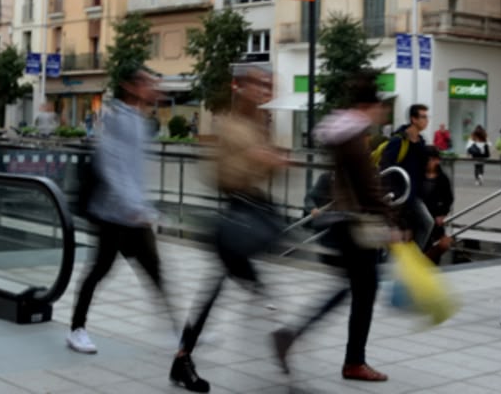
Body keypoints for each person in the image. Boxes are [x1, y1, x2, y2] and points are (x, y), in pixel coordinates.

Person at [272, 71, 398, 383]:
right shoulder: (355, 137)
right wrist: (393, 222)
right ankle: (352, 361)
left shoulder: (343, 131)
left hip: (344, 223)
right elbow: (369, 187)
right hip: (357, 226)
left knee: (349, 290)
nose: (382, 113)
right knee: (363, 292)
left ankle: (298, 338)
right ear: (370, 106)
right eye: (381, 107)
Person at [170, 67, 285, 392]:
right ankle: (285, 363)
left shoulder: (259, 125)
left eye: (268, 85)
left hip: (249, 214)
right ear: (242, 88)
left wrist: (269, 162)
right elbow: (219, 175)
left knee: (224, 292)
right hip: (237, 216)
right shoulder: (231, 125)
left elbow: (263, 174)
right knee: (252, 293)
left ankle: (182, 360)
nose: (264, 91)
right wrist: (256, 160)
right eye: (259, 85)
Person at [67, 66, 177, 354]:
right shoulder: (116, 119)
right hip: (112, 214)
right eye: (146, 83)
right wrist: (134, 206)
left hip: (132, 214)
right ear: (130, 86)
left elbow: (135, 172)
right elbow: (112, 166)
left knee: (155, 271)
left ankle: (175, 332)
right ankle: (77, 329)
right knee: (100, 270)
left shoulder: (139, 120)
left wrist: (143, 207)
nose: (152, 88)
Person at [418, 146, 455, 263]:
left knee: (435, 250)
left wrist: (443, 214)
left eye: (430, 160)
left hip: (435, 219)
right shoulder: (418, 176)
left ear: (436, 160)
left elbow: (448, 198)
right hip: (420, 219)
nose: (428, 163)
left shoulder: (443, 179)